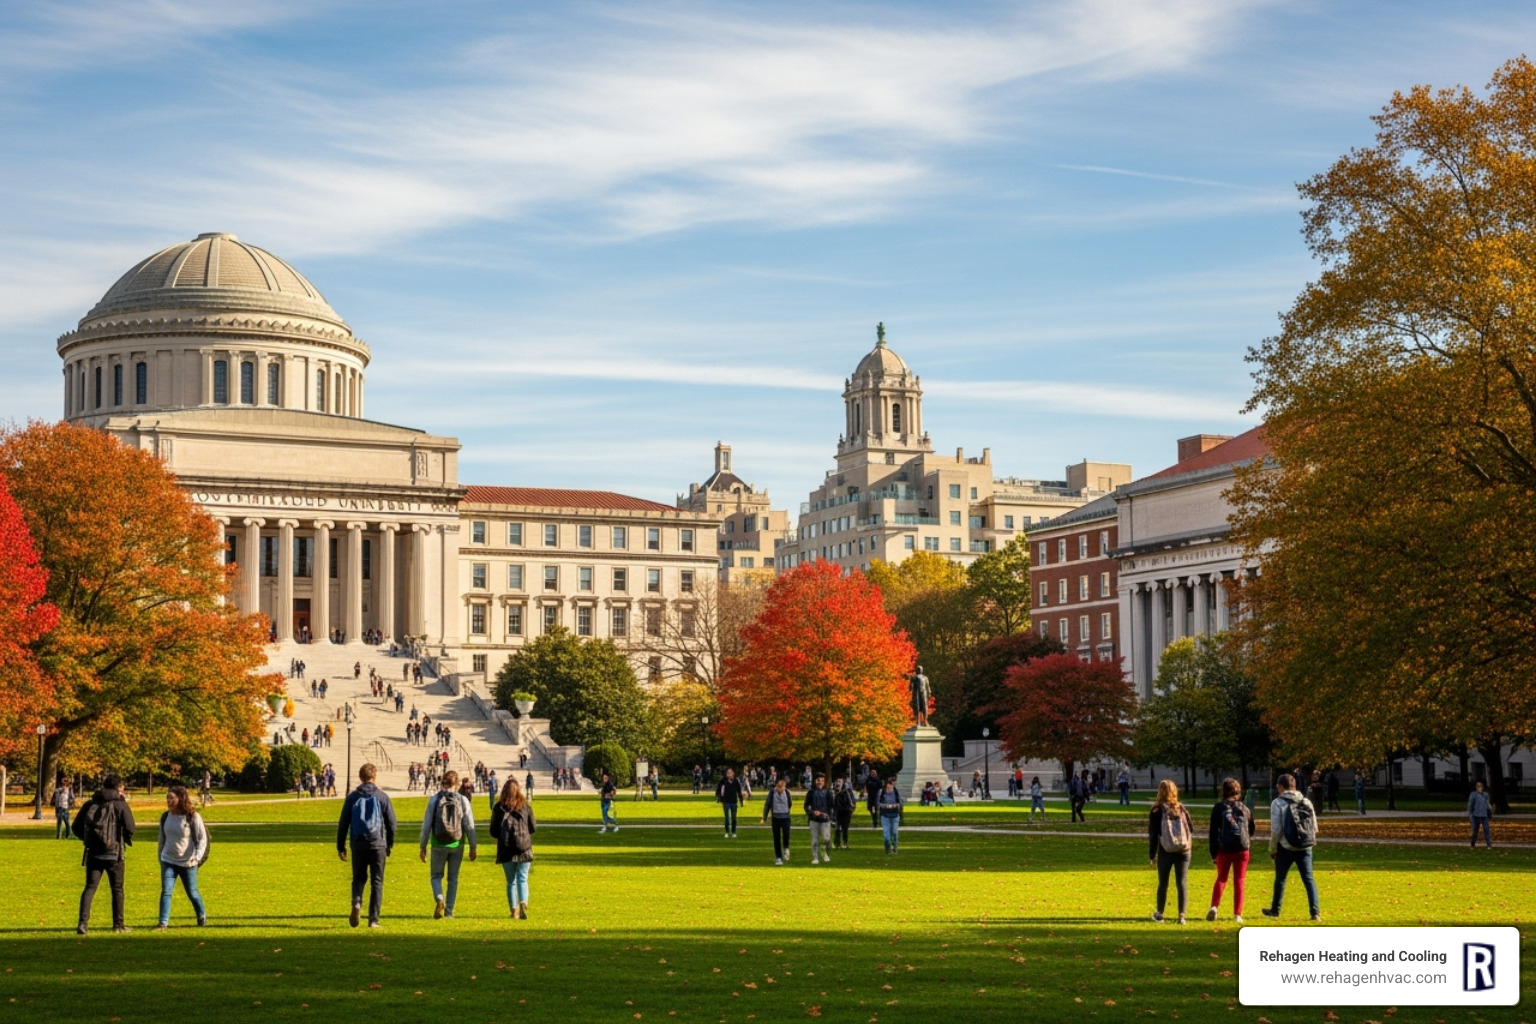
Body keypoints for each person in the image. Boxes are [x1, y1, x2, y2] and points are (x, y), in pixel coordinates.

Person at [73, 772, 137, 934]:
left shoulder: (90, 803)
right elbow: (130, 827)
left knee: (90, 887)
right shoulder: (120, 804)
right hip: (114, 853)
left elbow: (75, 827)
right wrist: (124, 838)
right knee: (117, 889)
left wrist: (88, 839)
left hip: (93, 852)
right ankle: (118, 924)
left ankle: (83, 923)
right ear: (118, 787)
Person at [337, 763, 397, 928]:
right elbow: (392, 823)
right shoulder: (382, 797)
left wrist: (340, 846)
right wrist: (389, 844)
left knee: (358, 878)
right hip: (378, 843)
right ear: (374, 776)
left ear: (360, 777)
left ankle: (357, 901)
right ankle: (373, 920)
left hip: (358, 842)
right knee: (377, 881)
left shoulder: (352, 797)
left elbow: (343, 823)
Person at [1261, 773, 1320, 921]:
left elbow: (1276, 829)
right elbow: (1314, 826)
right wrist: (1311, 841)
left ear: (1281, 786)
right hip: (1305, 847)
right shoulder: (1306, 801)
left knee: (1280, 879)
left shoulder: (1278, 803)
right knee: (1308, 879)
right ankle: (1315, 912)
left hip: (1285, 846)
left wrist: (1272, 848)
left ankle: (1275, 910)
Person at [420, 770, 477, 919]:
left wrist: (423, 846)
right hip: (456, 843)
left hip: (438, 843)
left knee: (436, 876)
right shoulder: (463, 800)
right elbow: (469, 825)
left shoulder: (434, 800)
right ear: (456, 783)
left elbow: (426, 825)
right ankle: (449, 911)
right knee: (453, 879)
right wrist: (473, 846)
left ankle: (440, 898)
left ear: (442, 782)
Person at [157, 784, 209, 928]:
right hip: (168, 860)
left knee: (192, 892)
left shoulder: (192, 816)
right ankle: (163, 923)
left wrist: (197, 857)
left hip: (188, 862)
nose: (169, 801)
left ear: (181, 798)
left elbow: (202, 839)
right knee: (166, 891)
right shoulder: (165, 816)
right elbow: (162, 838)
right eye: (167, 798)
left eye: (171, 798)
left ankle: (201, 914)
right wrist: (160, 857)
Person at [1205, 777, 1256, 923]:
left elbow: (1213, 832)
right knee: (1239, 880)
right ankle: (1237, 914)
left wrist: (1213, 853)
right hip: (1242, 848)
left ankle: (1214, 906)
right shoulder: (1244, 808)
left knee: (1221, 878)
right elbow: (1251, 829)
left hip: (1224, 848)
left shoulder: (1219, 808)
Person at [1148, 779, 1193, 924]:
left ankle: (1160, 913)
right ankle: (1182, 916)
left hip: (1165, 850)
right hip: (1184, 850)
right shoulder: (1181, 808)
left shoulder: (1156, 810)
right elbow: (1190, 828)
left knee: (1163, 883)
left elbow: (1153, 835)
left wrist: (1152, 855)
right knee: (1182, 882)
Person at [490, 777, 536, 919]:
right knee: (523, 879)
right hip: (524, 847)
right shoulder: (525, 806)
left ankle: (514, 910)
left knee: (511, 881)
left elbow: (493, 831)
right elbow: (533, 827)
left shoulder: (499, 807)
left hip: (506, 848)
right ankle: (523, 902)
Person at [803, 774, 835, 864]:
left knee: (826, 838)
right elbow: (806, 806)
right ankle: (815, 857)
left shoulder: (828, 792)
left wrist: (828, 815)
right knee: (814, 839)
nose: (820, 782)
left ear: (824, 782)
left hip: (825, 819)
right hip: (814, 819)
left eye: (822, 780)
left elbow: (832, 806)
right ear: (815, 781)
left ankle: (826, 854)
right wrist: (812, 812)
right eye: (818, 780)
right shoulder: (811, 792)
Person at [762, 777, 794, 864]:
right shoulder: (772, 793)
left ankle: (786, 848)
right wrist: (764, 817)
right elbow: (767, 805)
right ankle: (778, 857)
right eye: (779, 787)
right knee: (776, 838)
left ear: (785, 787)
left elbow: (790, 804)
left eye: (782, 787)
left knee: (786, 835)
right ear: (777, 786)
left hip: (786, 818)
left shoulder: (787, 793)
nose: (781, 789)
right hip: (775, 818)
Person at [877, 778, 904, 854]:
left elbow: (901, 802)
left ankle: (895, 847)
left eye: (892, 785)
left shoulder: (896, 792)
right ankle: (887, 847)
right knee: (886, 834)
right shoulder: (881, 792)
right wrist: (885, 806)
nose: (891, 787)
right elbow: (878, 803)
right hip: (885, 815)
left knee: (894, 832)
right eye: (889, 784)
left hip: (894, 815)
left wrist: (895, 805)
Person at [717, 768, 743, 838]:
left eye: (730, 772)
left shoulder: (736, 781)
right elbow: (719, 789)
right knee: (727, 818)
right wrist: (718, 797)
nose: (729, 774)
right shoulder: (723, 781)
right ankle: (727, 832)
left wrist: (741, 801)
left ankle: (733, 832)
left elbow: (739, 791)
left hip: (733, 802)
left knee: (734, 818)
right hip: (726, 801)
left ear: (733, 773)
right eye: (727, 773)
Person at [1468, 780, 1493, 849]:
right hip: (1476, 816)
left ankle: (1489, 844)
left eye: (1480, 786)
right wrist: (1471, 816)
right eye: (1478, 786)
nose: (1479, 788)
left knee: (1486, 830)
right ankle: (1472, 844)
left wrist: (1490, 811)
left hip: (1484, 815)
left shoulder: (1485, 795)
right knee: (1475, 831)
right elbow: (1470, 806)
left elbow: (1487, 804)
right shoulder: (1473, 795)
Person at [833, 778, 857, 849]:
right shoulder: (835, 791)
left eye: (840, 781)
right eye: (837, 781)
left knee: (845, 828)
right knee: (837, 828)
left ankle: (845, 843)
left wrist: (851, 810)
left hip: (846, 812)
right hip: (838, 812)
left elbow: (852, 802)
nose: (838, 783)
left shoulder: (848, 791)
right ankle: (836, 844)